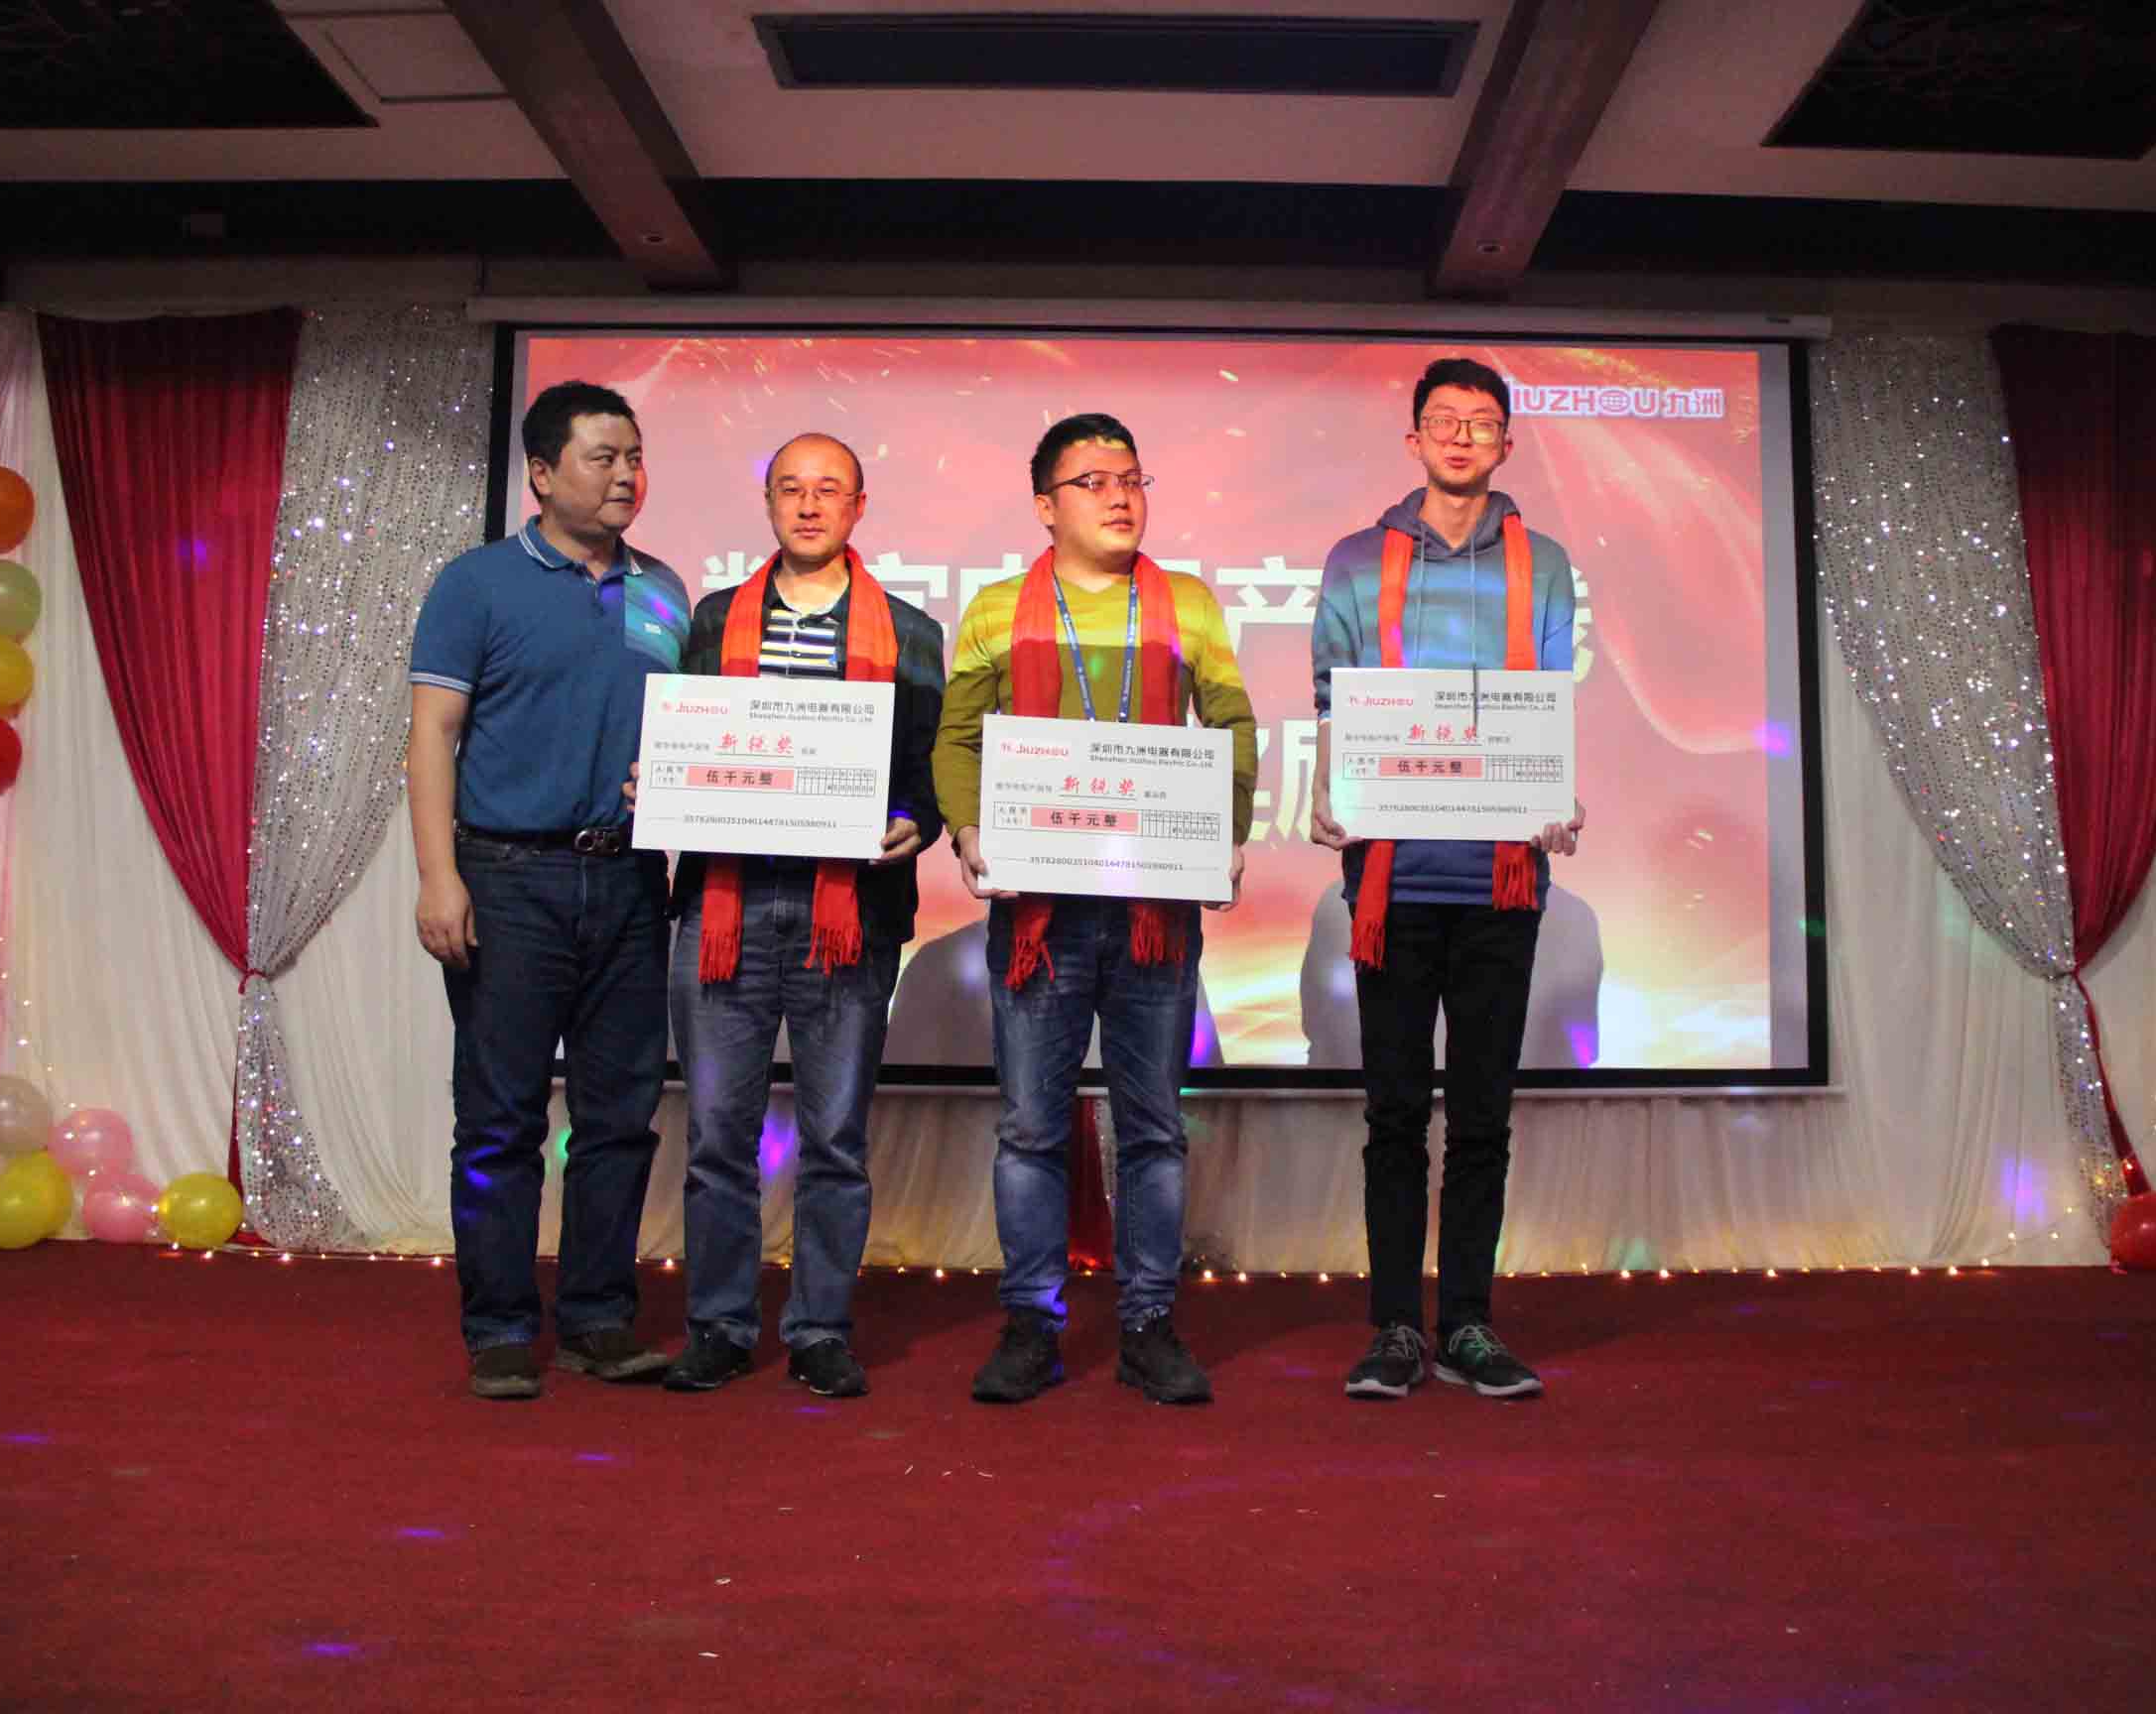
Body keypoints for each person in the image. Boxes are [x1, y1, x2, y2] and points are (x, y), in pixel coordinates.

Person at [932, 413, 1256, 1405]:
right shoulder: (997, 609)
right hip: (1041, 915)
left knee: (1153, 1129)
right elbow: (958, 737)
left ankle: (1149, 1325)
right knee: (1032, 1128)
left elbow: (1233, 722)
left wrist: (1225, 827)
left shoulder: (1187, 603)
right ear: (1045, 505)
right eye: (1094, 481)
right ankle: (1031, 1325)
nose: (1120, 496)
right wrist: (968, 830)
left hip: (1153, 911)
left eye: (1132, 478)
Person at [409, 381, 691, 1401]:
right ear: (540, 473)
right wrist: (439, 876)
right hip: (507, 879)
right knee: (500, 1121)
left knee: (620, 1118)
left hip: (630, 882)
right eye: (602, 458)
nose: (626, 476)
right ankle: (497, 1328)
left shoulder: (664, 590)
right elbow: (432, 734)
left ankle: (598, 1321)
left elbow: (686, 732)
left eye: (635, 457)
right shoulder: (476, 583)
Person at [1310, 357, 1585, 1403]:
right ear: (1414, 438)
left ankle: (1467, 1322)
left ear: (1507, 443)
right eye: (1444, 420)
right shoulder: (1355, 560)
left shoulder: (1542, 563)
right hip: (1390, 878)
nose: (1462, 436)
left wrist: (1557, 795)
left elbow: (1547, 701)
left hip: (1501, 880)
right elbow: (1335, 698)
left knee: (1480, 1117)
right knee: (1393, 1116)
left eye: (1481, 422)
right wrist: (1328, 790)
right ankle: (1394, 1327)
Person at [656, 432, 946, 1398]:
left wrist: (917, 821)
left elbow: (925, 772)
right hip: (725, 906)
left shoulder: (909, 632)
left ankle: (820, 1328)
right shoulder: (713, 621)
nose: (810, 506)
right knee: (716, 1141)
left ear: (859, 506)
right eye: (791, 489)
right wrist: (661, 781)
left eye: (829, 490)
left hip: (849, 914)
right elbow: (689, 744)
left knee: (835, 1143)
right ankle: (720, 1325)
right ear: (769, 504)